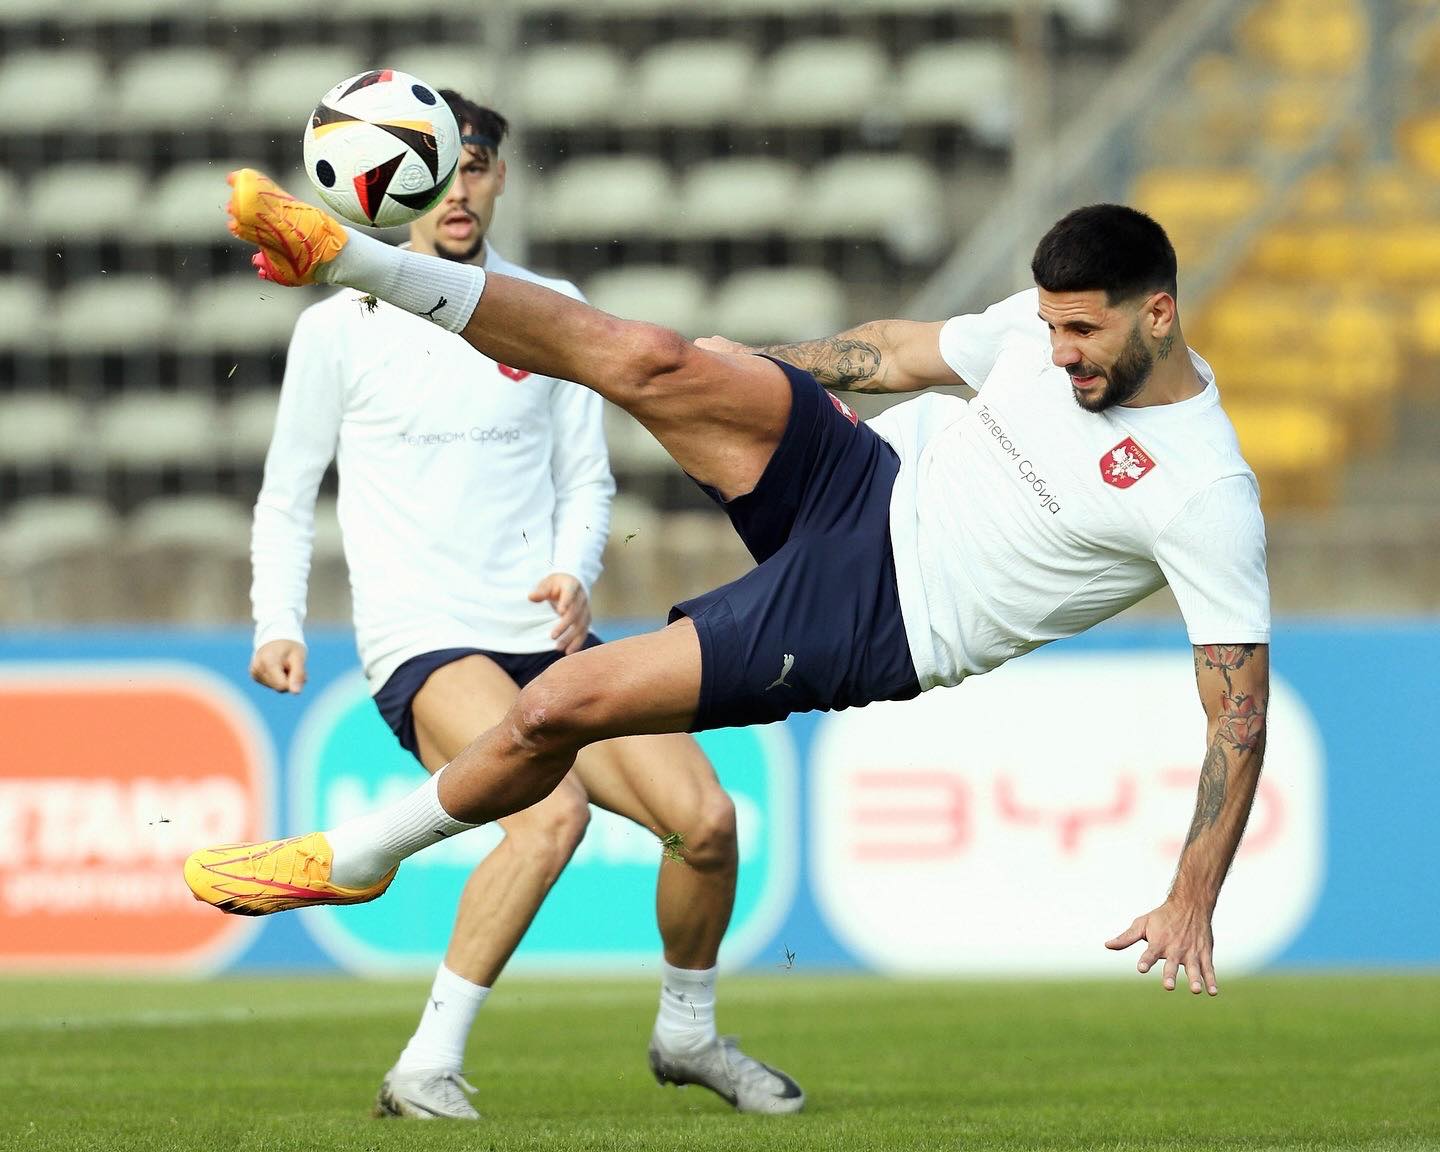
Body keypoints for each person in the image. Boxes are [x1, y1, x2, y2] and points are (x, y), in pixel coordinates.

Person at [190, 173, 1270, 1004]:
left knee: (561, 704)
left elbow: (1238, 716)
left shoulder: (1203, 490)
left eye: (1082, 333)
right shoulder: (1045, 338)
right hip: (867, 479)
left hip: (885, 616)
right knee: (651, 356)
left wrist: (1190, 897)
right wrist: (733, 373)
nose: (1058, 351)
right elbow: (892, 353)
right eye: (1049, 327)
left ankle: (361, 860)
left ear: (1161, 316)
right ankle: (348, 260)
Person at [240, 93, 803, 1120]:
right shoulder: (338, 331)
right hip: (423, 636)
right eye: (443, 167)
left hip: (544, 633)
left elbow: (585, 480)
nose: (462, 186)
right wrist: (277, 619)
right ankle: (425, 1065)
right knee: (548, 817)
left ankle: (688, 1032)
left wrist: (575, 569)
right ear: (396, 186)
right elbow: (288, 492)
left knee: (709, 822)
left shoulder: (550, 304)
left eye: (479, 162)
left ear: (498, 176)